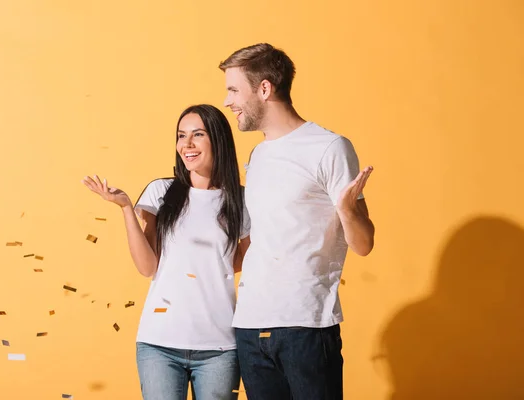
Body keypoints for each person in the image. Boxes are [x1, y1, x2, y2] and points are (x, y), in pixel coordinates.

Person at [218, 43, 375, 399]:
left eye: (233, 90)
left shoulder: (329, 147)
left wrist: (348, 210)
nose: (228, 102)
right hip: (250, 326)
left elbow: (364, 244)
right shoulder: (258, 154)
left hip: (305, 325)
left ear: (264, 88)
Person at [82, 104, 251, 400]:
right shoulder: (161, 192)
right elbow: (148, 267)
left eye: (197, 135)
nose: (186, 145)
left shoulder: (241, 199)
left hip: (220, 346)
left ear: (218, 139)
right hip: (158, 343)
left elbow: (239, 261)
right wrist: (125, 208)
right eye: (181, 135)